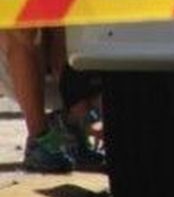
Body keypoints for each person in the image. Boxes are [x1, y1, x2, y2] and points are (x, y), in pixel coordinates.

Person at [0, 29, 103, 173]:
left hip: (64, 83)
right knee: (22, 25)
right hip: (14, 66)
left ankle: (74, 122)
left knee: (65, 21)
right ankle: (40, 137)